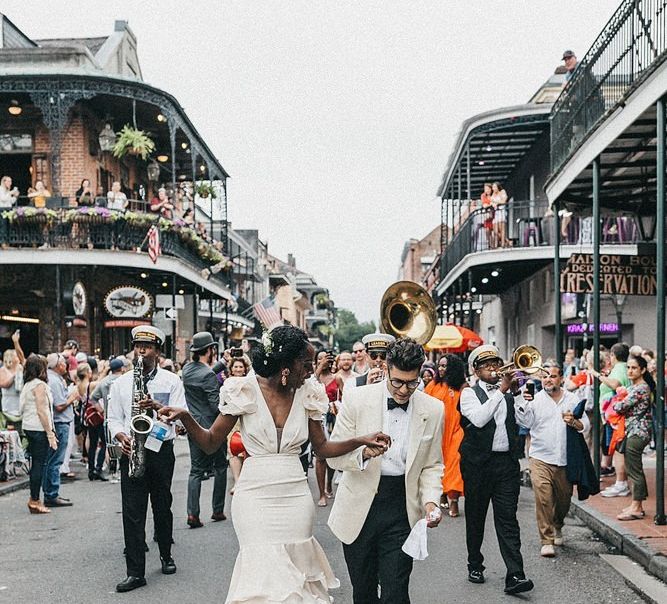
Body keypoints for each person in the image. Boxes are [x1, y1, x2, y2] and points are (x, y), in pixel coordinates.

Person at [158, 325, 389, 603]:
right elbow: (209, 442)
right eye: (306, 364)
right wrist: (185, 417)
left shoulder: (309, 393)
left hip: (295, 497)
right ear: (286, 366)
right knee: (264, 580)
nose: (311, 370)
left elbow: (323, 449)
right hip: (254, 496)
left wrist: (360, 440)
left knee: (295, 580)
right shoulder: (242, 389)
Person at [327, 337, 443, 604]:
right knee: (364, 592)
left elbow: (432, 465)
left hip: (402, 508)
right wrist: (364, 453)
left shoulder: (433, 409)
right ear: (387, 369)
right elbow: (334, 456)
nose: (404, 390)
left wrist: (430, 502)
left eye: (412, 383)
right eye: (398, 382)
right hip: (360, 508)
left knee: (395, 592)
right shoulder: (356, 398)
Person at [107, 326, 187, 593]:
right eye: (138, 346)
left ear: (158, 351)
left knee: (162, 506)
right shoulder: (120, 383)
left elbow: (179, 417)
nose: (141, 351)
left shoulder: (171, 381)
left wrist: (157, 409)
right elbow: (113, 418)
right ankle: (135, 572)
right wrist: (120, 436)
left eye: (148, 346)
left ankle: (166, 554)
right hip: (132, 450)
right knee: (132, 512)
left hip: (161, 450)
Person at [459, 345, 534, 595]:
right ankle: (475, 563)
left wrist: (517, 393)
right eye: (486, 365)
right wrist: (501, 391)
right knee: (476, 516)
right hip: (478, 465)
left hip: (506, 464)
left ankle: (515, 574)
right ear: (476, 370)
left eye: (496, 363)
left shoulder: (509, 394)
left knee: (508, 520)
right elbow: (479, 419)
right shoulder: (468, 394)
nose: (493, 368)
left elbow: (527, 422)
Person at [515, 361, 589, 557]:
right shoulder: (535, 399)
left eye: (553, 376)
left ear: (561, 379)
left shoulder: (572, 399)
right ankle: (546, 539)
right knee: (543, 498)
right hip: (540, 457)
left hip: (565, 459)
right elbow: (525, 423)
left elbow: (586, 426)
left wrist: (574, 422)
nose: (548, 379)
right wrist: (522, 402)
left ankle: (558, 524)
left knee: (564, 501)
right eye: (545, 376)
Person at [182, 332, 228, 528]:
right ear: (210, 350)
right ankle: (217, 510)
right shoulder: (208, 375)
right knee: (220, 467)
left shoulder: (187, 370)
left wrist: (223, 363)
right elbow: (214, 405)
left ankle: (192, 514)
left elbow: (204, 373)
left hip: (193, 424)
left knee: (196, 471)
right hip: (212, 426)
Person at [613, 355, 655, 521]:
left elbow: (619, 406)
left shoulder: (640, 388)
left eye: (634, 368)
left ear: (643, 370)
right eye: (628, 368)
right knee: (633, 468)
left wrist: (617, 399)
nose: (630, 371)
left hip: (637, 432)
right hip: (634, 431)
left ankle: (637, 507)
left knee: (634, 469)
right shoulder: (635, 387)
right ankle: (636, 504)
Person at [425, 354, 466, 517]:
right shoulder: (433, 385)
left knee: (454, 465)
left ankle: (454, 501)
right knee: (439, 465)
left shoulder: (462, 386)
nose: (441, 369)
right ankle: (442, 492)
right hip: (437, 433)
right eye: (439, 366)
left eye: (445, 366)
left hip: (456, 431)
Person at [20, 354, 58, 514]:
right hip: (38, 428)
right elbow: (42, 411)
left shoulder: (28, 384)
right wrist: (50, 434)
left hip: (29, 426)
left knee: (37, 464)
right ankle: (35, 500)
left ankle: (34, 498)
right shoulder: (39, 386)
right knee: (39, 465)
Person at [591, 343, 630, 495]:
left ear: (614, 355)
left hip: (616, 416)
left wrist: (598, 375)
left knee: (619, 449)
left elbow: (615, 383)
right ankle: (621, 482)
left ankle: (621, 483)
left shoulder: (620, 368)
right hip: (615, 414)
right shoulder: (622, 368)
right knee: (617, 448)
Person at [42, 353, 75, 507]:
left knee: (52, 460)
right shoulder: (54, 380)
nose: (65, 366)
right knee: (55, 460)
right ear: (57, 365)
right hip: (60, 422)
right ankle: (51, 494)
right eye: (62, 363)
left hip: (59, 422)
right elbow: (60, 406)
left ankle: (51, 493)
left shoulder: (54, 378)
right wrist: (72, 398)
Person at [91, 357, 126, 482]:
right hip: (122, 418)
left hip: (108, 417)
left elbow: (93, 398)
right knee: (122, 444)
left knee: (110, 445)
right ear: (121, 368)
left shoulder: (104, 381)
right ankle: (121, 471)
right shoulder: (124, 380)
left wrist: (101, 410)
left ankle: (110, 471)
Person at [314, 349, 338, 506]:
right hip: (317, 419)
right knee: (320, 456)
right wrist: (318, 369)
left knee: (333, 455)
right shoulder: (313, 378)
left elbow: (343, 397)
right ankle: (321, 493)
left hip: (334, 419)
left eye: (326, 358)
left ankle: (329, 482)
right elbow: (307, 387)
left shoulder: (338, 378)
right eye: (320, 359)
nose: (324, 361)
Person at [0, 330, 25, 426]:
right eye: (16, 356)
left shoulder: (20, 368)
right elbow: (3, 384)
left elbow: (22, 357)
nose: (18, 358)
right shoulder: (3, 370)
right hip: (9, 402)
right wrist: (14, 376)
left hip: (20, 401)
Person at [491, 182, 509, 248]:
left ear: (498, 187)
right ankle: (503, 242)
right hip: (496, 213)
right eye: (493, 187)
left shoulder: (502, 192)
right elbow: (492, 203)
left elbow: (504, 201)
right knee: (496, 230)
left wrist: (496, 202)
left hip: (502, 211)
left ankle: (503, 244)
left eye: (495, 187)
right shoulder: (493, 195)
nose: (494, 189)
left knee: (502, 228)